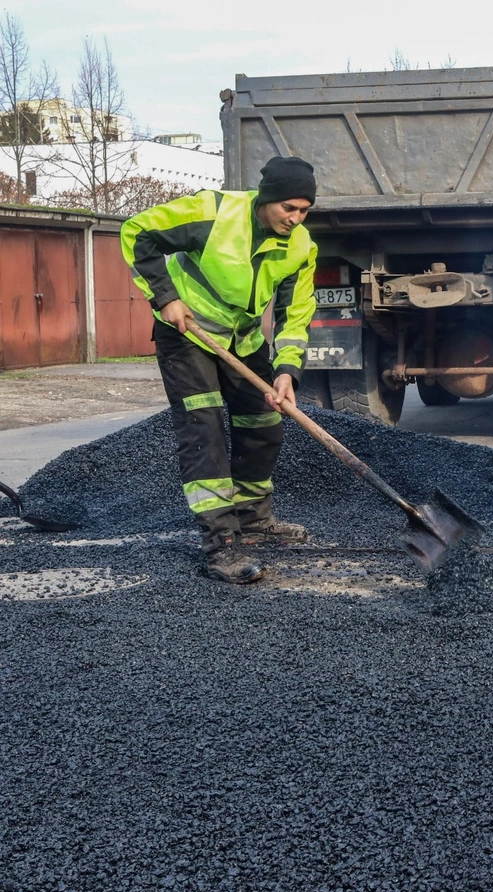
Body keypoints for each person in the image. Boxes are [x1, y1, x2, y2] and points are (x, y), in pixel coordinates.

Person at [121, 156, 320, 583]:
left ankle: (253, 519)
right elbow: (137, 232)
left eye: (304, 210)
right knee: (204, 425)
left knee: (265, 418)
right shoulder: (213, 212)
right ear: (267, 199)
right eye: (289, 208)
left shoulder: (301, 246)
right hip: (187, 334)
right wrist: (164, 296)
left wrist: (286, 371)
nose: (296, 218)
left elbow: (294, 314)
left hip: (243, 339)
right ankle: (221, 544)